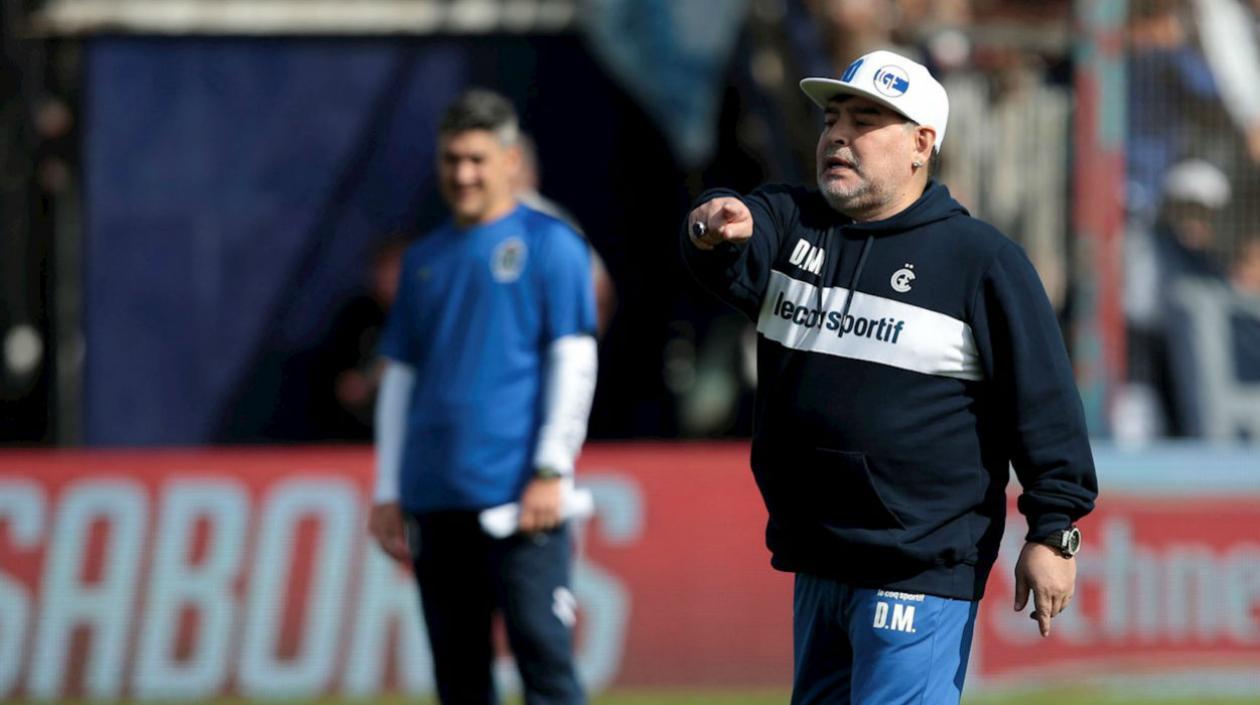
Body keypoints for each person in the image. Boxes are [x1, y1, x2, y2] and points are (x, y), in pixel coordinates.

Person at [681, 49, 1098, 704]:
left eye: (866, 121)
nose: (839, 136)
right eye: (832, 120)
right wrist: (713, 222)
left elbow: (1045, 411)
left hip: (918, 568)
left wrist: (1053, 531)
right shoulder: (796, 225)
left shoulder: (980, 261)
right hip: (821, 560)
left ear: (920, 144)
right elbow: (741, 228)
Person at [368, 88, 597, 705]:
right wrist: (389, 487)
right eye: (451, 160)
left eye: (476, 159)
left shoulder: (552, 244)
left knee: (545, 666)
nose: (463, 174)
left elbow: (574, 360)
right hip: (436, 499)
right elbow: (401, 378)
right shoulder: (423, 260)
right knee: (458, 676)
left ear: (509, 161)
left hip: (521, 500)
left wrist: (552, 468)